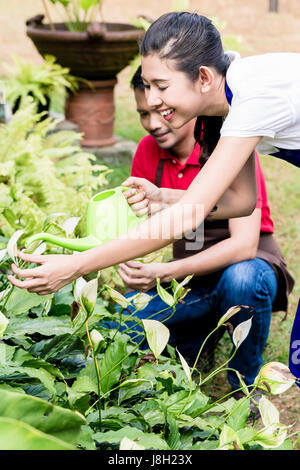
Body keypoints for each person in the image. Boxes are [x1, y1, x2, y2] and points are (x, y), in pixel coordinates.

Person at [9, 12, 299, 304]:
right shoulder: (228, 96)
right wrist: (164, 198)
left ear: (203, 77)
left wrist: (75, 266)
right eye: (148, 86)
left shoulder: (252, 99)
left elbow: (190, 214)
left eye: (161, 86)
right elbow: (242, 202)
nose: (151, 101)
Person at [110, 65, 294, 393]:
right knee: (119, 327)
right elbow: (151, 230)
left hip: (247, 272)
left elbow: (244, 247)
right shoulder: (148, 153)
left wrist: (164, 272)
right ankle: (197, 341)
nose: (153, 123)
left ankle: (245, 386)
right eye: (143, 114)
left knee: (241, 280)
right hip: (189, 285)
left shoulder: (229, 143)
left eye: (160, 112)